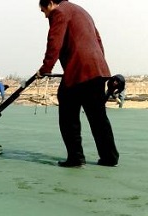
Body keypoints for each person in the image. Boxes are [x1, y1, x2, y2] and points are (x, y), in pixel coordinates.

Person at [37, 0, 119, 167]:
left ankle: (76, 158)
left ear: (51, 3)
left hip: (79, 69)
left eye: (44, 10)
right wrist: (97, 65)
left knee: (68, 115)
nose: (45, 15)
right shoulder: (82, 12)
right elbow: (98, 40)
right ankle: (109, 157)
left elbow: (55, 41)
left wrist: (45, 68)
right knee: (98, 117)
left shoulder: (59, 12)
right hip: (97, 69)